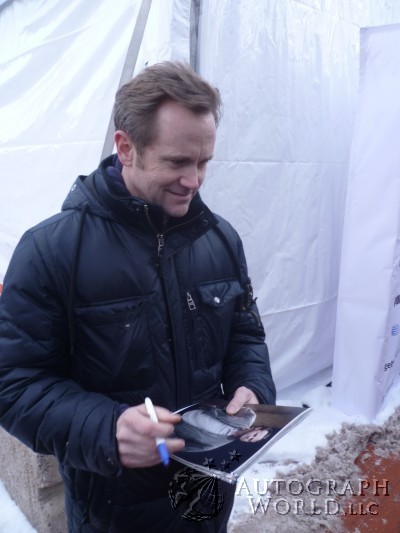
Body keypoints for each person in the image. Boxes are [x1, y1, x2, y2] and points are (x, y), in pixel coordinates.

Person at [0, 61, 276, 532]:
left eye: (203, 162)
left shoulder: (221, 239)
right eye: (177, 162)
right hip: (115, 512)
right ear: (126, 148)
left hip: (209, 496)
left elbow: (245, 335)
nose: (195, 180)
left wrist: (253, 386)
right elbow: (13, 382)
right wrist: (105, 428)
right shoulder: (51, 251)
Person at [174, 404, 271, 452]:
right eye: (255, 435)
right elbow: (245, 410)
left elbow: (182, 447)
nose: (249, 437)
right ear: (257, 428)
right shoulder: (247, 419)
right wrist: (224, 409)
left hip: (175, 422)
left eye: (251, 440)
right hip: (190, 406)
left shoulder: (214, 445)